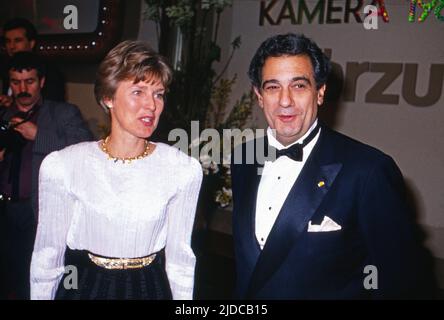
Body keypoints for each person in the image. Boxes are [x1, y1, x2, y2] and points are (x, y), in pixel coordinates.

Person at [230, 33, 436, 299]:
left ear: (320, 92)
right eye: (272, 87)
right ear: (258, 96)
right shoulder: (243, 157)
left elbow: (404, 281)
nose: (285, 100)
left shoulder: (368, 170)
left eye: (299, 86)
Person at [30, 40, 203, 300]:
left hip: (149, 289)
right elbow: (48, 257)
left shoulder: (181, 169)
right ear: (108, 97)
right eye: (138, 92)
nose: (152, 105)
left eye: (158, 94)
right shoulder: (64, 166)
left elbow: (181, 263)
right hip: (84, 287)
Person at [0, 51, 93, 299]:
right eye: (16, 82)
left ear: (41, 81)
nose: (22, 88)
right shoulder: (3, 116)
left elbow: (84, 150)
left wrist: (37, 135)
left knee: (41, 284)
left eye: (29, 81)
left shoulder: (62, 113)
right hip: (6, 214)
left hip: (41, 214)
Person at [0, 17, 65, 106]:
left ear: (31, 43)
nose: (11, 46)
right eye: (8, 41)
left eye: (17, 41)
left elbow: (53, 108)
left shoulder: (49, 71)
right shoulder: (6, 68)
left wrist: (13, 104)